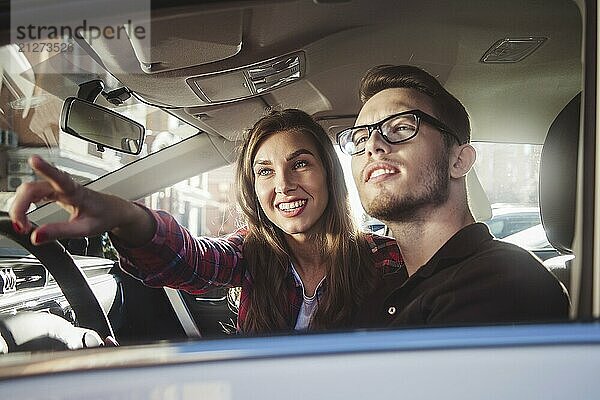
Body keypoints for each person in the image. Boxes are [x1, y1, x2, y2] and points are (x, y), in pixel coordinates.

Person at [9, 109, 403, 334]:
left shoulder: (383, 259)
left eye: (300, 163)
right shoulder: (252, 251)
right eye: (264, 171)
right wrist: (124, 215)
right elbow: (190, 259)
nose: (283, 185)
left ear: (330, 175)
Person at [336, 65, 570, 327]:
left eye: (401, 128)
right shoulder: (384, 281)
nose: (372, 145)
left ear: (458, 161)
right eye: (360, 138)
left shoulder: (503, 283)